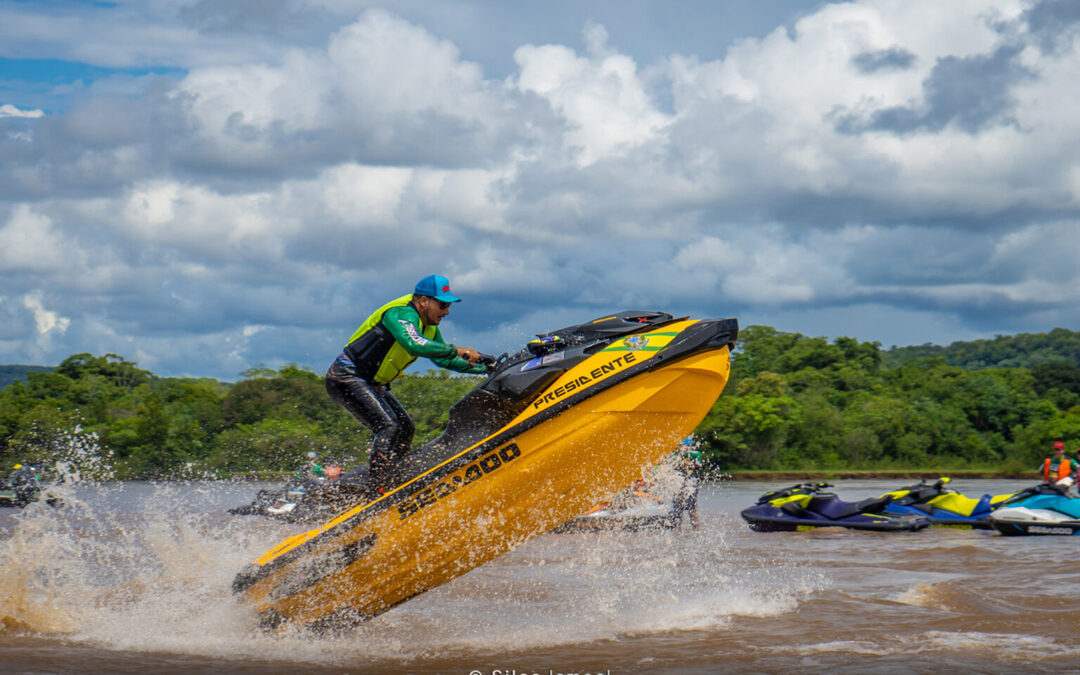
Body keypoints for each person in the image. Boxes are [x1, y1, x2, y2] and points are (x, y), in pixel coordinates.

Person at [325, 274, 489, 495]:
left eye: (448, 306)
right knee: (389, 426)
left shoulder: (429, 326)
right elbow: (416, 344)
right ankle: (376, 490)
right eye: (442, 305)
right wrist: (457, 349)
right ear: (423, 301)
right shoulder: (400, 313)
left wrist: (485, 368)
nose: (446, 312)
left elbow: (443, 358)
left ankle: (395, 479)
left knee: (406, 429)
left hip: (373, 383)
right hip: (346, 377)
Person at [671, 438, 702, 529]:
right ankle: (677, 529)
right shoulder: (676, 456)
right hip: (678, 484)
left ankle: (696, 529)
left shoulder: (695, 454)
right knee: (677, 510)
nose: (684, 448)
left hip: (691, 484)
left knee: (692, 508)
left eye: (686, 446)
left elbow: (697, 463)